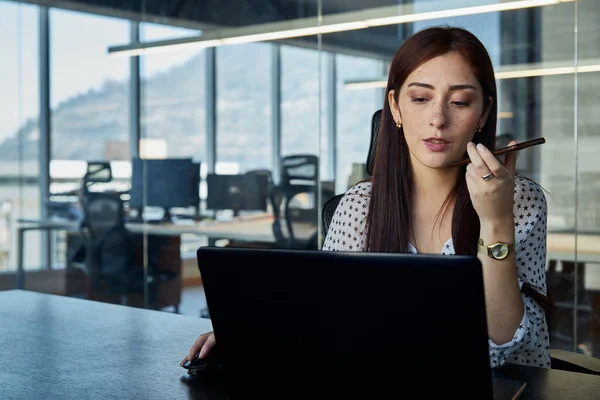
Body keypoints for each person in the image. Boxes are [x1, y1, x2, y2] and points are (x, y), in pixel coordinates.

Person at [181, 25, 551, 370]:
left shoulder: (519, 200)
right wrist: (253, 333)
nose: (438, 118)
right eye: (420, 98)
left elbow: (504, 347)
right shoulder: (360, 204)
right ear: (395, 107)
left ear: (484, 111)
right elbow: (325, 315)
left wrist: (495, 220)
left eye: (459, 102)